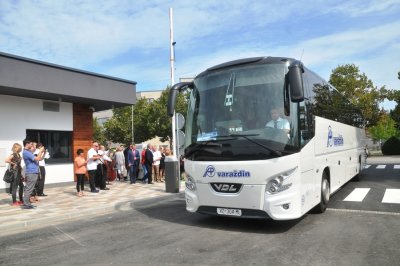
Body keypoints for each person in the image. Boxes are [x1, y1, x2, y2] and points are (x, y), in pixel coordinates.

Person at [22, 138, 45, 209]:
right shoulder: (26, 152)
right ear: (27, 144)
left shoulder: (29, 152)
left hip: (33, 172)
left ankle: (27, 203)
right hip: (31, 172)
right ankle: (26, 204)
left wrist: (43, 153)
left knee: (30, 189)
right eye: (31, 144)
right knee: (29, 189)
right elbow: (37, 158)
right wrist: (40, 151)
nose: (32, 145)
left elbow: (39, 159)